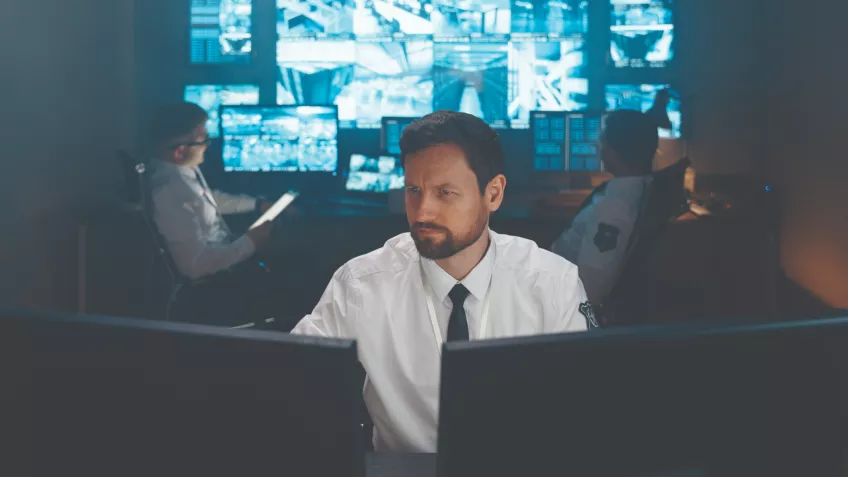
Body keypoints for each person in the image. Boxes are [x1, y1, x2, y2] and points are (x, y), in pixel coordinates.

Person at [292, 110, 594, 453]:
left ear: (493, 193)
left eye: (445, 192)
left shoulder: (553, 284)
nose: (422, 212)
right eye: (413, 190)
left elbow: (582, 413)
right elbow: (291, 384)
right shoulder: (361, 285)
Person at [146, 102, 285, 328]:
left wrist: (257, 204)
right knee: (300, 275)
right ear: (180, 150)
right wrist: (251, 242)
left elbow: (208, 200)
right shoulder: (169, 191)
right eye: (203, 140)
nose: (208, 145)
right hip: (214, 288)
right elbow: (196, 265)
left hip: (226, 264)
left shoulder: (180, 174)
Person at [551, 109, 658, 310]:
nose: (599, 147)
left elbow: (590, 291)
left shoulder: (613, 211)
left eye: (603, 142)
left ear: (613, 152)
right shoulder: (641, 191)